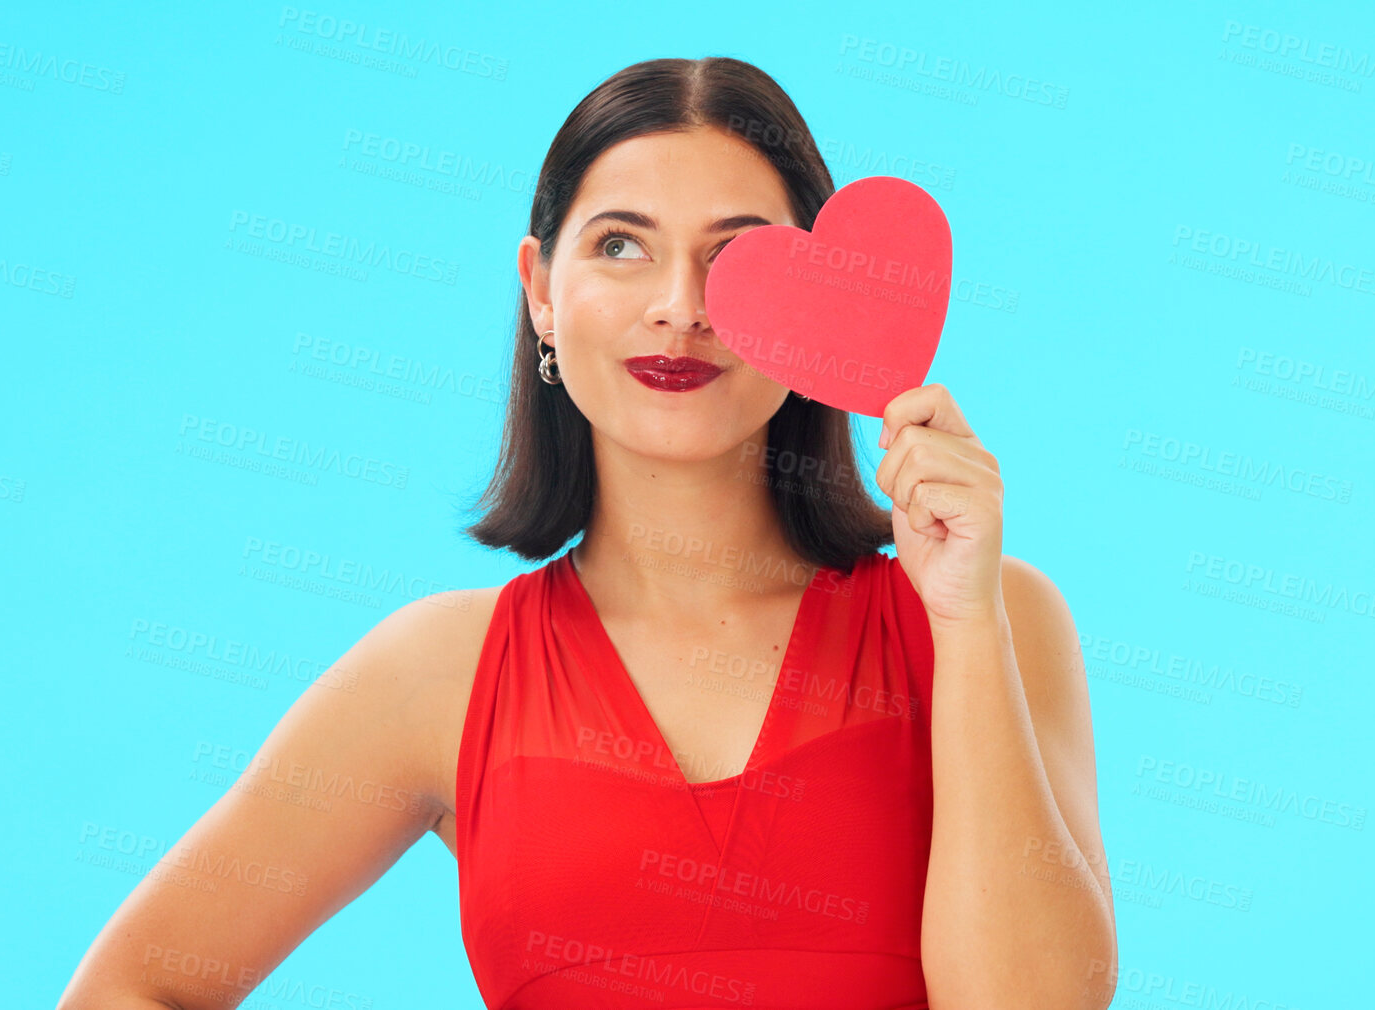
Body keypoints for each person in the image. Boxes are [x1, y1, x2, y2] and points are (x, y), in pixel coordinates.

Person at [59, 56, 1114, 1010]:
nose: (678, 306)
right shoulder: (439, 672)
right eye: (620, 246)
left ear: (818, 303)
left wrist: (965, 621)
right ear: (540, 291)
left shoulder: (992, 616)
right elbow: (132, 987)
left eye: (735, 256)